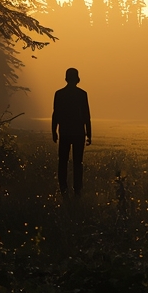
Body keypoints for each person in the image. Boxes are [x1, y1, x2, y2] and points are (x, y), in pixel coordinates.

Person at [51, 67, 92, 196]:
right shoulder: (82, 94)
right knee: (77, 162)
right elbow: (86, 115)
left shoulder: (59, 94)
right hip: (79, 132)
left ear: (66, 78)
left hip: (65, 132)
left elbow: (55, 114)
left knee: (62, 161)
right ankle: (77, 189)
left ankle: (63, 187)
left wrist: (54, 130)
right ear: (77, 79)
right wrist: (89, 133)